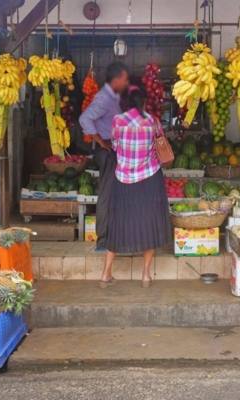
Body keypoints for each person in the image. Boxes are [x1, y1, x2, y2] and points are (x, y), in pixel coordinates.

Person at [99, 86, 171, 288]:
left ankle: (106, 273)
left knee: (117, 224)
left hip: (123, 179)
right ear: (143, 102)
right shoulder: (152, 121)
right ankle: (146, 275)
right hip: (149, 179)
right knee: (149, 224)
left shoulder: (118, 121)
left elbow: (114, 145)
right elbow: (159, 144)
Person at [79, 62, 129, 250]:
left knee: (115, 194)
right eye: (124, 79)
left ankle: (114, 236)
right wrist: (100, 141)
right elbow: (84, 118)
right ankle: (103, 241)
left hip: (115, 150)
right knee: (107, 194)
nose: (126, 82)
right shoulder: (104, 98)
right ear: (116, 79)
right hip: (107, 152)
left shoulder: (113, 97)